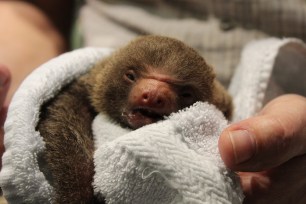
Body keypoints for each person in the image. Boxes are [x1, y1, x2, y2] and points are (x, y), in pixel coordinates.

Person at [1, 1, 306, 203]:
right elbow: (28, 9)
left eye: (180, 93)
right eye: (133, 78)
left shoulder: (220, 104)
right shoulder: (91, 82)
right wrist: (18, 96)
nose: (154, 95)